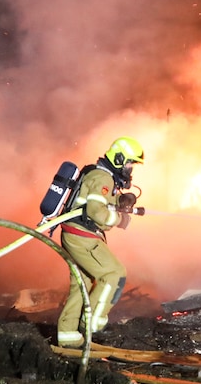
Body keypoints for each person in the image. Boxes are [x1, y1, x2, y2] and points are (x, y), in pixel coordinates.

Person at [55, 136, 145, 348]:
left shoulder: (97, 175)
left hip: (73, 233)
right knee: (114, 273)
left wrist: (120, 204)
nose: (130, 169)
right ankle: (92, 323)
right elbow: (96, 212)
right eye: (130, 163)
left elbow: (98, 205)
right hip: (82, 236)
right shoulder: (103, 178)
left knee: (83, 284)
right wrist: (121, 220)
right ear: (119, 159)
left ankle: (67, 335)